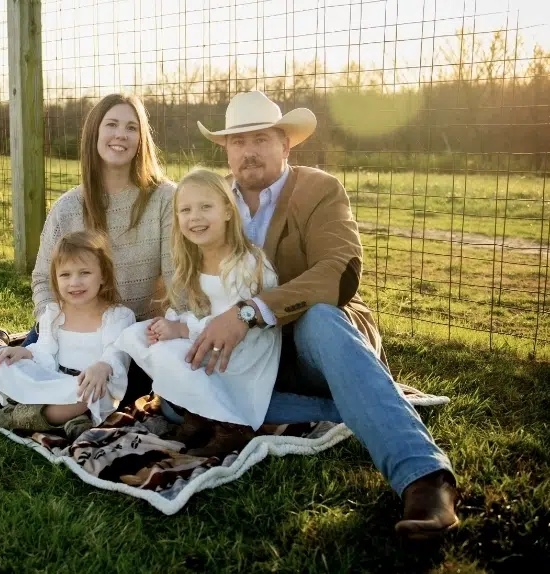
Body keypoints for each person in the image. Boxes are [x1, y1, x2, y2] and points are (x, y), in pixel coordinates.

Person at [183, 90, 458, 539]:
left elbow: (339, 272)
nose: (248, 151)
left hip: (316, 344)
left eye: (260, 139)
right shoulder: (211, 199)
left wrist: (250, 311)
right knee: (178, 401)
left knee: (323, 318)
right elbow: (182, 272)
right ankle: (366, 403)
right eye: (237, 142)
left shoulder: (318, 189)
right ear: (225, 150)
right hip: (256, 358)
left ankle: (425, 478)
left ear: (285, 144)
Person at [0, 93, 175, 407]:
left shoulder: (165, 199)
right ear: (94, 135)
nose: (120, 135)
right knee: (5, 369)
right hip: (66, 330)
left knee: (118, 395)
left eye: (131, 127)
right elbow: (44, 279)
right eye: (111, 125)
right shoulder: (69, 207)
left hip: (130, 336)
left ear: (141, 139)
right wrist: (54, 327)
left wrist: (164, 331)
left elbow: (177, 279)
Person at [114, 168, 282, 456]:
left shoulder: (245, 263)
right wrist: (170, 325)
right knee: (136, 335)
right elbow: (201, 312)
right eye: (186, 210)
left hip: (241, 355)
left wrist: (182, 329)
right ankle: (199, 412)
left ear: (229, 211)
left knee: (168, 352)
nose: (195, 217)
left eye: (206, 207)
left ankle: (231, 425)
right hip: (209, 344)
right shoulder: (196, 261)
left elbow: (235, 325)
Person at [0, 231, 135, 438]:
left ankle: (12, 418)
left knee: (85, 396)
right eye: (65, 275)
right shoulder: (53, 313)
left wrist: (103, 365)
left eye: (85, 273)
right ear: (56, 279)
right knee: (1, 365)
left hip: (88, 387)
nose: (74, 282)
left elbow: (117, 353)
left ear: (103, 276)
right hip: (55, 378)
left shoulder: (118, 316)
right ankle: (66, 422)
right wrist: (23, 354)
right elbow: (44, 352)